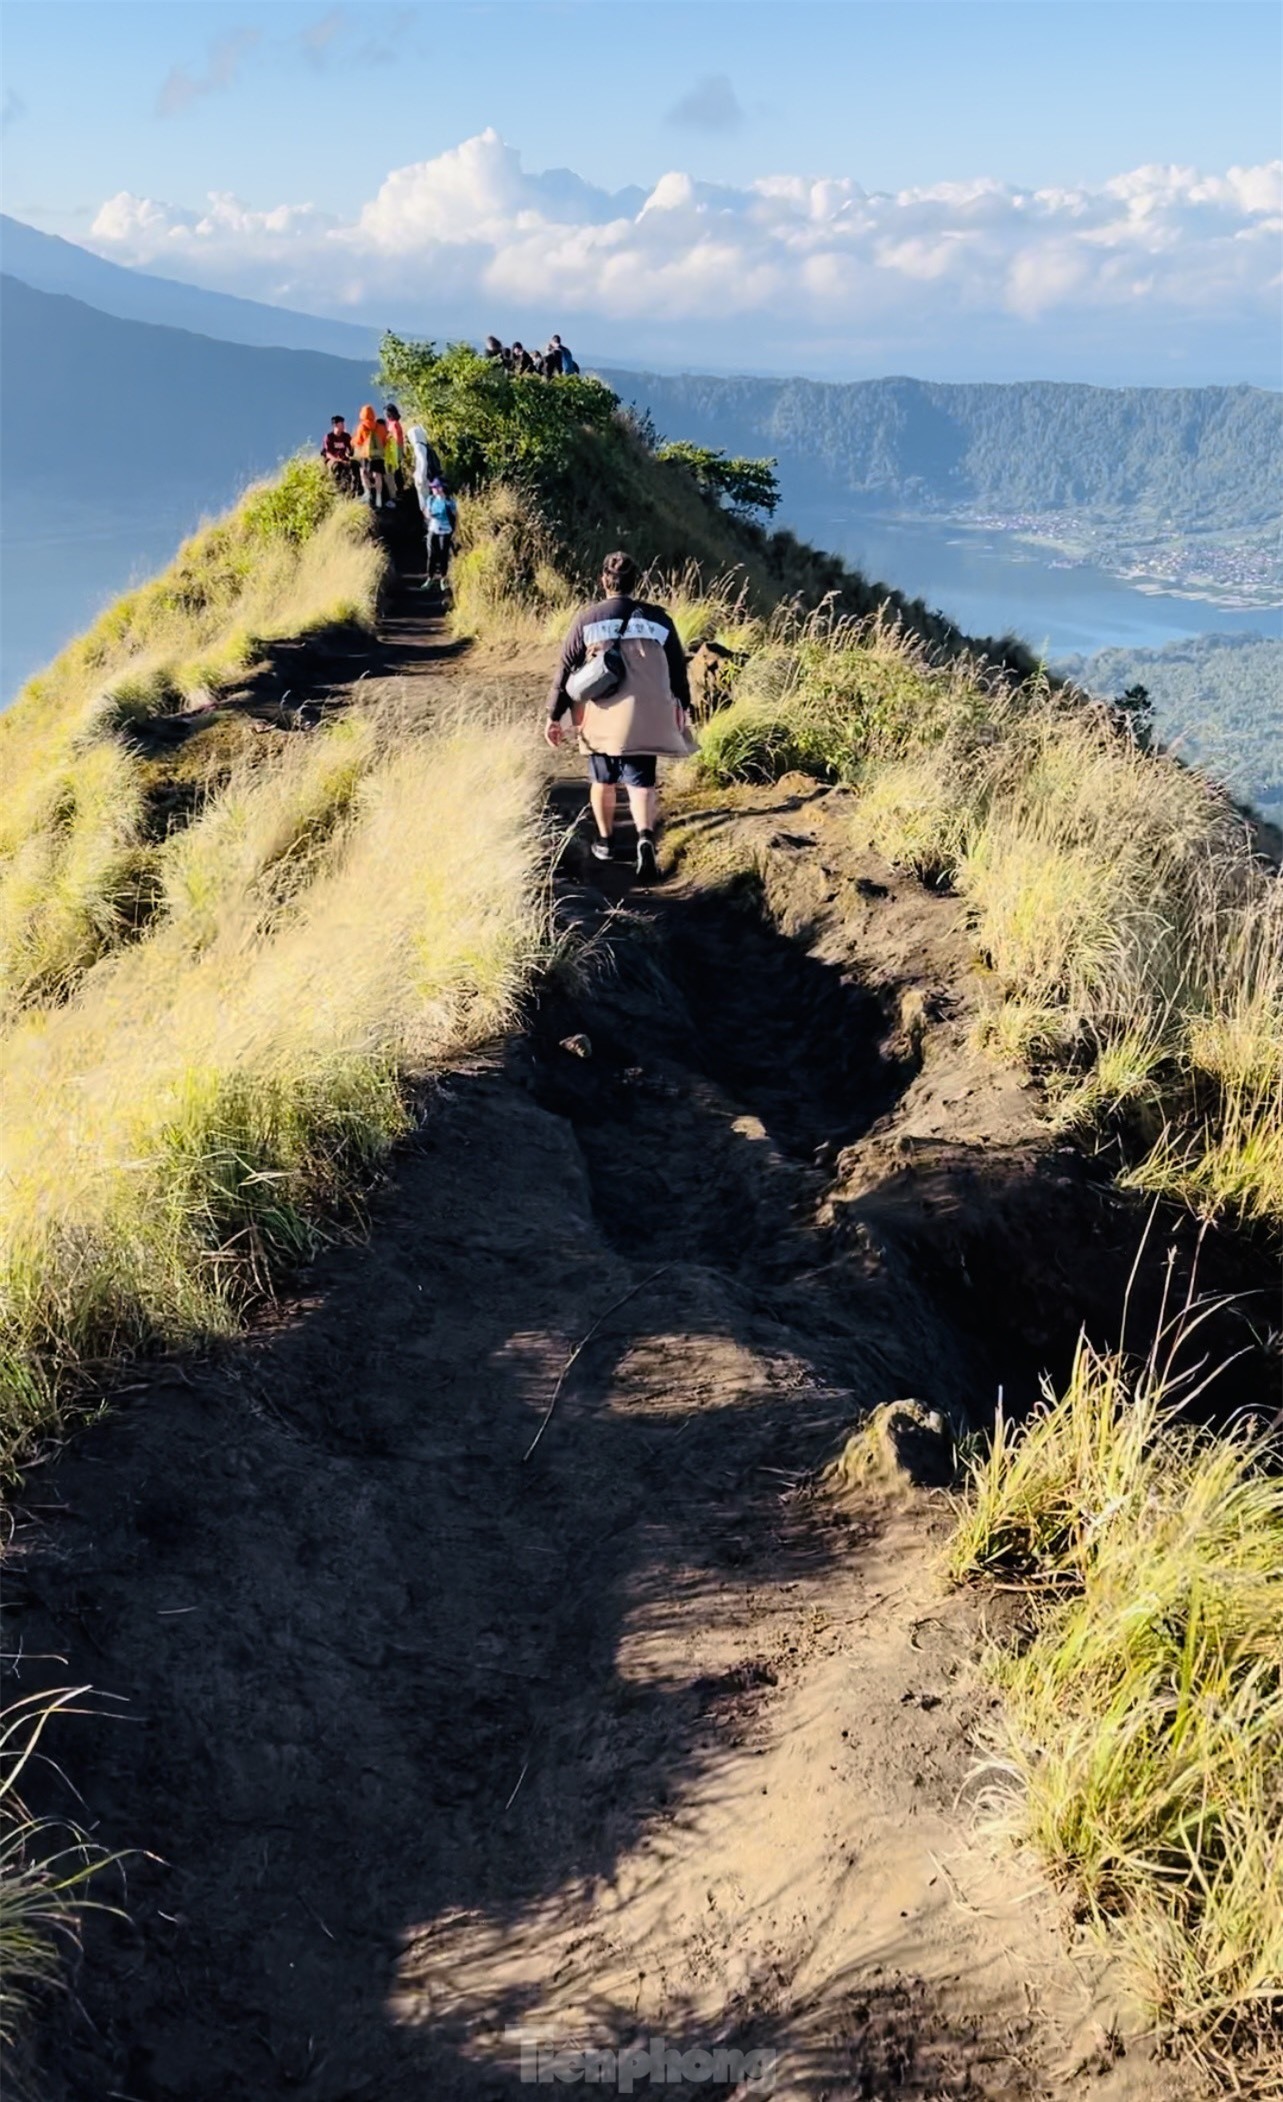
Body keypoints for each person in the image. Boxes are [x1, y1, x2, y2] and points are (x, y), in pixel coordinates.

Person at [545, 550, 692, 880]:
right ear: (634, 582)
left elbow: (564, 669)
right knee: (642, 783)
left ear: (603, 581)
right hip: (645, 714)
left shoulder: (587, 620)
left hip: (601, 714)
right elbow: (678, 669)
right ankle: (644, 839)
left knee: (602, 780)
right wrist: (683, 705)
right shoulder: (659, 619)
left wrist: (554, 716)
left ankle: (606, 842)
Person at [353, 404, 391, 511]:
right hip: (379, 455)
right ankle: (379, 499)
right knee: (377, 475)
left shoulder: (362, 426)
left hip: (366, 455)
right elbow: (385, 440)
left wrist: (353, 442)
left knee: (363, 472)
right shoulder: (380, 426)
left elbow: (358, 441)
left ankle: (368, 493)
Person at [423, 479, 458, 586]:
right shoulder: (431, 499)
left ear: (440, 488)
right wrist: (429, 514)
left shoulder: (449, 501)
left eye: (435, 487)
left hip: (445, 530)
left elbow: (455, 515)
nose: (433, 489)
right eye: (432, 487)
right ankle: (430, 578)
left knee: (443, 554)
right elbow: (426, 513)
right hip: (433, 529)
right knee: (431, 555)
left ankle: (443, 578)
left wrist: (456, 530)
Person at [320, 414, 358, 496]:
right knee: (338, 466)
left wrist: (352, 445)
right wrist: (337, 459)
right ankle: (338, 488)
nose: (344, 426)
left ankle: (356, 487)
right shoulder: (329, 437)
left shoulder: (346, 436)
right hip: (332, 461)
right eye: (342, 424)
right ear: (336, 425)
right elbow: (327, 453)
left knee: (355, 464)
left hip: (344, 459)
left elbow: (351, 452)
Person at [383, 403, 408, 498]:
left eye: (386, 413)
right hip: (397, 450)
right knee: (397, 471)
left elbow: (397, 438)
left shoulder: (393, 425)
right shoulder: (394, 424)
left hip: (395, 451)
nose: (385, 415)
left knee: (395, 471)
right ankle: (400, 490)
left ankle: (399, 491)